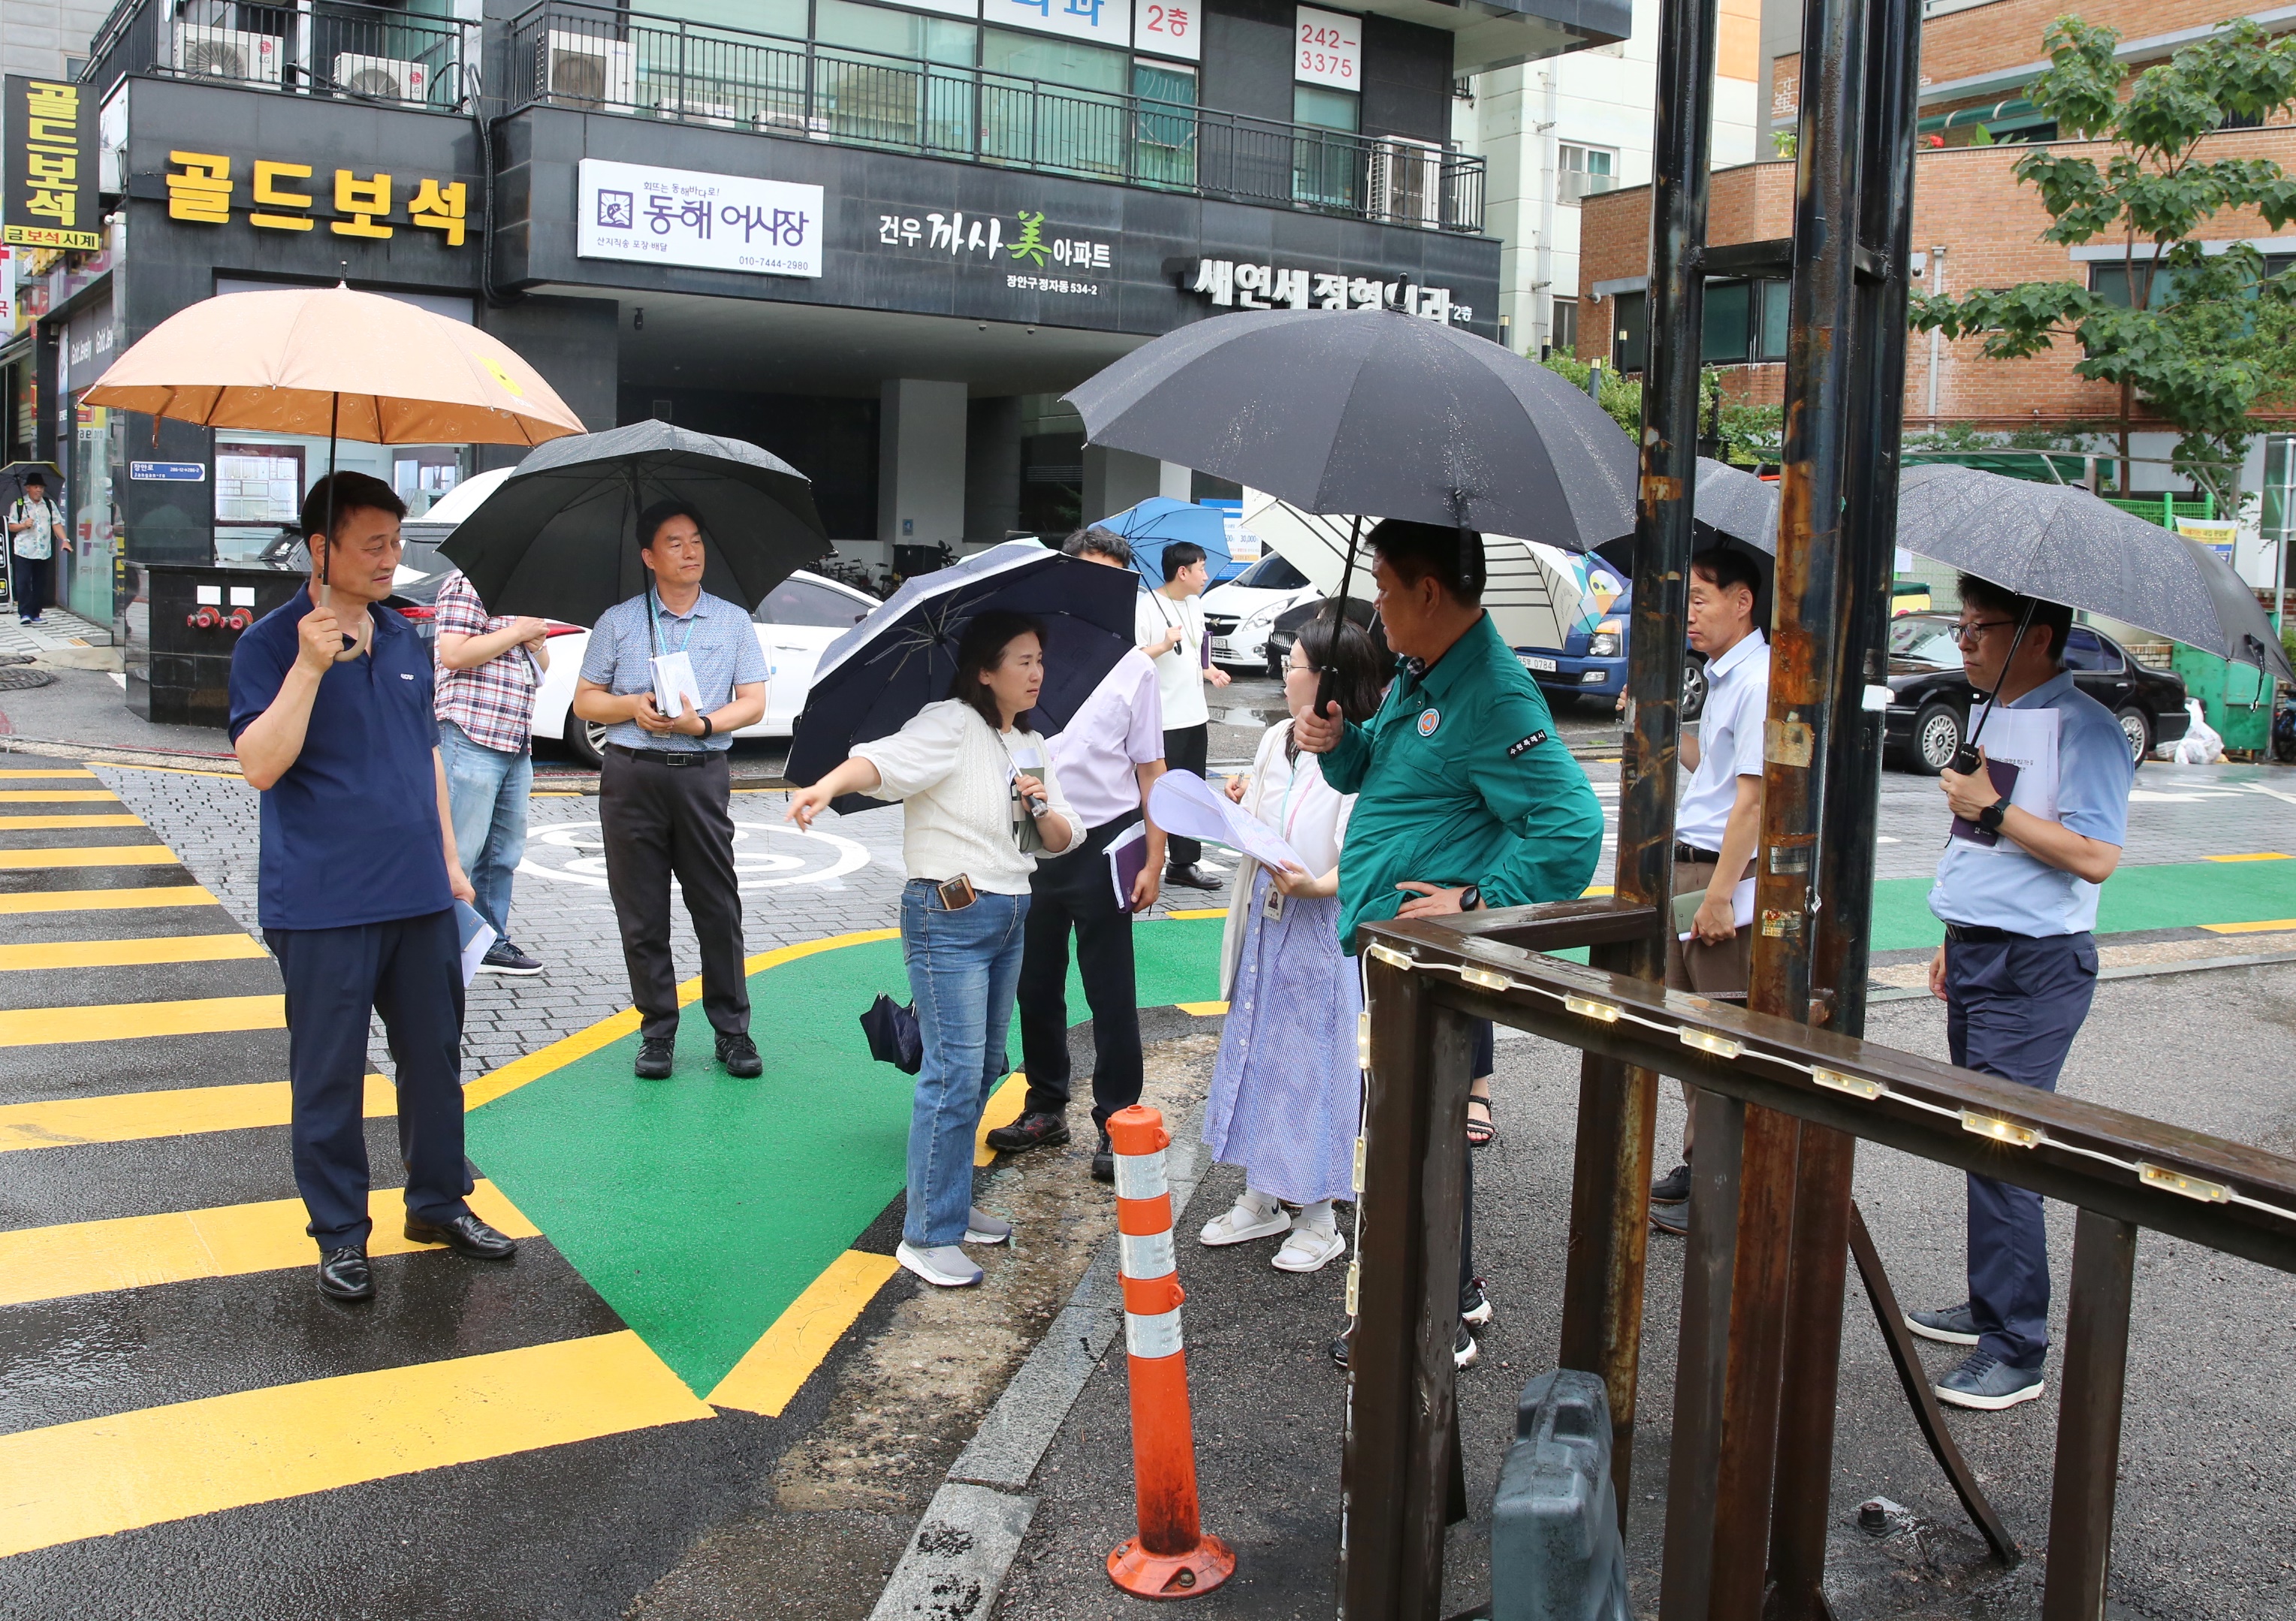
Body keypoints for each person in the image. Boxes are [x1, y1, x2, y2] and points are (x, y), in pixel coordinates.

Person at [1297, 519, 1604, 1368]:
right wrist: (1338, 745)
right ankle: (1434, 1292)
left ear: (1430, 592)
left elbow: (1572, 829)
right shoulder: (1422, 667)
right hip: (1391, 950)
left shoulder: (1495, 694)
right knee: (1401, 1127)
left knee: (1421, 1129)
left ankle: (1439, 1314)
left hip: (1430, 960)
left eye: (1387, 590)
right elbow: (1387, 777)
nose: (1377, 610)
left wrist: (1476, 899)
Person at [228, 471, 516, 1303]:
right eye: (374, 544)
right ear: (322, 549)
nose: (394, 558)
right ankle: (340, 1234)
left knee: (432, 1060)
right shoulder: (271, 642)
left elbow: (425, 752)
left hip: (420, 893)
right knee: (327, 1074)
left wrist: (453, 862)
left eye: (397, 541)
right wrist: (310, 668)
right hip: (322, 902)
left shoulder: (402, 635)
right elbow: (259, 764)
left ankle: (436, 1202)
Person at [787, 611, 1079, 1289]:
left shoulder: (1031, 743)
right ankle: (925, 1235)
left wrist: (1039, 808)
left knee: (984, 1066)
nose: (1036, 673)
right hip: (948, 912)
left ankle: (948, 1202)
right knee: (951, 1073)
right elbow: (881, 761)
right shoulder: (949, 722)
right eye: (1022, 661)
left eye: (1040, 660)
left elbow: (1064, 838)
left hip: (1012, 911)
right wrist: (826, 786)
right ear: (985, 670)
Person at [1906, 575, 2132, 1411]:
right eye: (1959, 630)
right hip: (1977, 951)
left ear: (2036, 636)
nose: (1962, 645)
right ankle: (1991, 1302)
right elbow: (1975, 837)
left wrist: (1994, 808)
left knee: (2005, 1146)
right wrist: (1950, 930)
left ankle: (2017, 1346)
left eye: (1977, 630)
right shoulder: (1991, 710)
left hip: (2034, 967)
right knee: (1978, 1137)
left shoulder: (2089, 730)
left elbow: (2097, 855)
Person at [1197, 616, 1383, 1272]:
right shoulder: (1278, 737)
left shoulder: (1363, 751)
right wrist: (1239, 805)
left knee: (1313, 1065)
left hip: (1319, 924)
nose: (1283, 670)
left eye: (1294, 662)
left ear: (1329, 679)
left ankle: (1318, 1213)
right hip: (1268, 912)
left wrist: (1316, 886)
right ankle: (1262, 1193)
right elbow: (1265, 826)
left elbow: (1364, 853)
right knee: (1255, 1049)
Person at [993, 528, 1167, 1182]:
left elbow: (1152, 768)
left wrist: (1155, 856)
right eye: (1086, 574)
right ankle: (1045, 1105)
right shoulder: (1027, 655)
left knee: (1110, 990)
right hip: (1031, 843)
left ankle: (1115, 1116)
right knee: (1034, 985)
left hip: (1104, 841)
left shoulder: (1135, 666)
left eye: (1113, 581)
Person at [572, 501, 768, 1081]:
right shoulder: (619, 621)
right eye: (675, 543)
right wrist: (632, 706)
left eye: (695, 541)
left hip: (702, 772)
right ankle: (656, 1032)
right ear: (649, 557)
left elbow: (753, 702)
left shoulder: (731, 621)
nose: (690, 552)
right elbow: (586, 700)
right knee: (640, 912)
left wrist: (702, 725)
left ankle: (732, 1031)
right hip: (631, 773)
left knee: (716, 905)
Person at [1649, 547, 1770, 1236]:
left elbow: (1752, 801)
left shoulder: (1757, 679)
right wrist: (1669, 732)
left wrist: (1722, 894)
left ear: (1741, 600)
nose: (1687, 614)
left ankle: (1725, 1182)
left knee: (1721, 1030)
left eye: (1699, 598)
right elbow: (1718, 767)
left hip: (1717, 877)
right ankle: (1702, 1163)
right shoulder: (1726, 678)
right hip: (1691, 868)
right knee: (1692, 1030)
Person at [433, 568, 551, 976]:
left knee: (503, 853)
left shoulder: (524, 592)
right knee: (458, 851)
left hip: (515, 739)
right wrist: (517, 632)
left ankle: (488, 942)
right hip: (471, 733)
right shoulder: (468, 583)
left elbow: (542, 665)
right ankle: (435, 941)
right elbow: (453, 653)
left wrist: (535, 642)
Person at [1136, 539, 1230, 890]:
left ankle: (1184, 863)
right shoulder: (1147, 607)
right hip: (1163, 719)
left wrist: (1210, 670)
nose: (1205, 575)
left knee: (1193, 790)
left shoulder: (1194, 603)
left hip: (1195, 714)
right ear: (1183, 571)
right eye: (1201, 567)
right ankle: (1148, 859)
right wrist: (1162, 643)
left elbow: (1195, 648)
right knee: (1159, 792)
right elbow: (1134, 659)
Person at [7, 471, 69, 625]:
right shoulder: (19, 505)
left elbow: (56, 523)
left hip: (43, 551)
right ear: (28, 488)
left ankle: (36, 613)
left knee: (40, 583)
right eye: (36, 487)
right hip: (24, 551)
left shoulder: (49, 504)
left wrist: (64, 540)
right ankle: (25, 614)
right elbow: (11, 526)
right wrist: (23, 525)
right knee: (24, 583)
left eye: (41, 487)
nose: (39, 490)